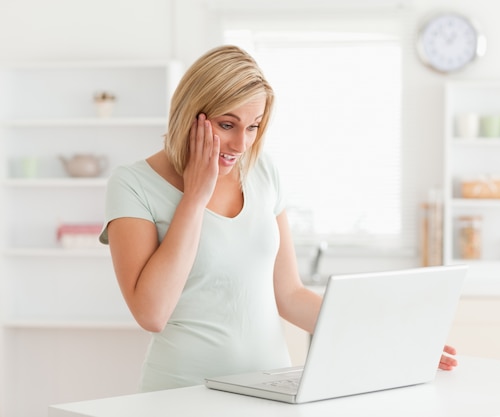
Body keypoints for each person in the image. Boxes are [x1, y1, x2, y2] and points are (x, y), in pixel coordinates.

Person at [99, 45, 457, 392]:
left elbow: (290, 295)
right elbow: (152, 313)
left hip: (269, 392)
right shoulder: (133, 184)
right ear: (190, 114)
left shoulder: (263, 172)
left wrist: (395, 337)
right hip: (179, 395)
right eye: (227, 124)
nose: (241, 144)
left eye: (253, 127)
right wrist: (194, 197)